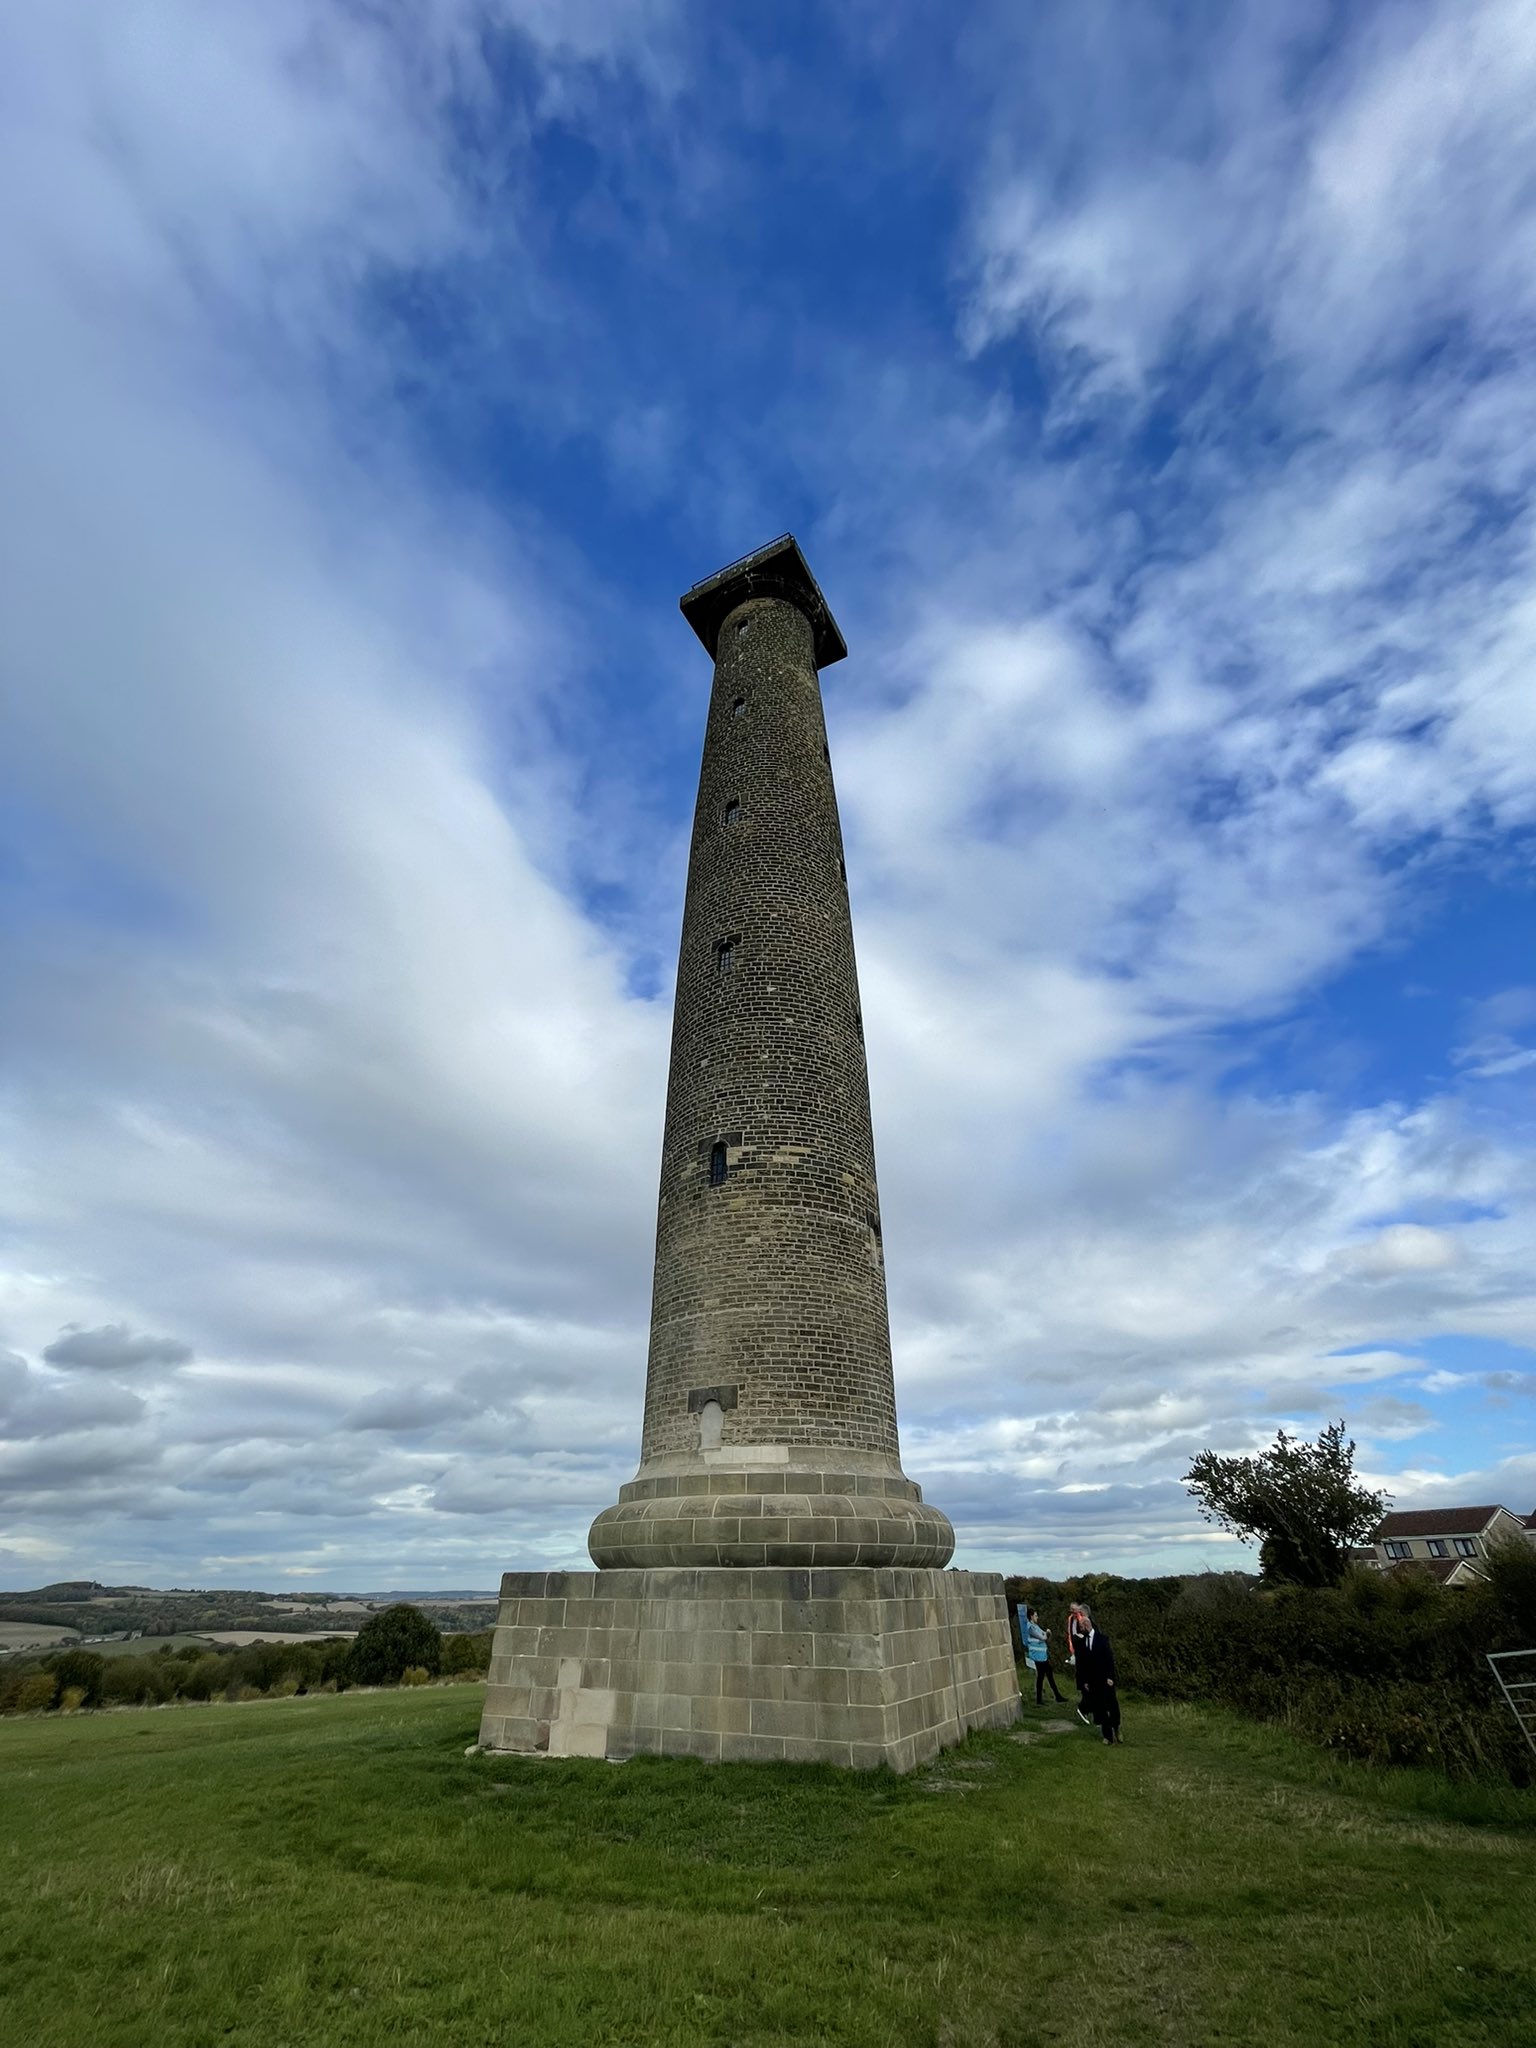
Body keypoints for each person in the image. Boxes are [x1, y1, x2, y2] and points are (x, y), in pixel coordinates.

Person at [1076, 1609, 1122, 1744]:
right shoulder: (1082, 1642)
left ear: (1086, 1626)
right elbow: (1083, 1663)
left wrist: (1110, 1677)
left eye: (1081, 1627)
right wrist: (1084, 1681)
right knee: (1100, 1708)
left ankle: (1116, 1727)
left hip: (1105, 1678)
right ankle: (1107, 1736)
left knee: (1112, 1705)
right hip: (1092, 1680)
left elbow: (1109, 1659)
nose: (1080, 1629)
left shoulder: (1102, 1639)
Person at [1023, 1606, 1065, 1705]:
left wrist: (1047, 1634)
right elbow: (1042, 1637)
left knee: (1044, 1676)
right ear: (1031, 1616)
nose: (1037, 1617)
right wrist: (1047, 1633)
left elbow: (1045, 1637)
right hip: (1037, 1656)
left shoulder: (1036, 1626)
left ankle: (1045, 1698)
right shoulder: (1030, 1627)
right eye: (1036, 1616)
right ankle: (1052, 1697)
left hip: (1042, 1656)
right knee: (1044, 1676)